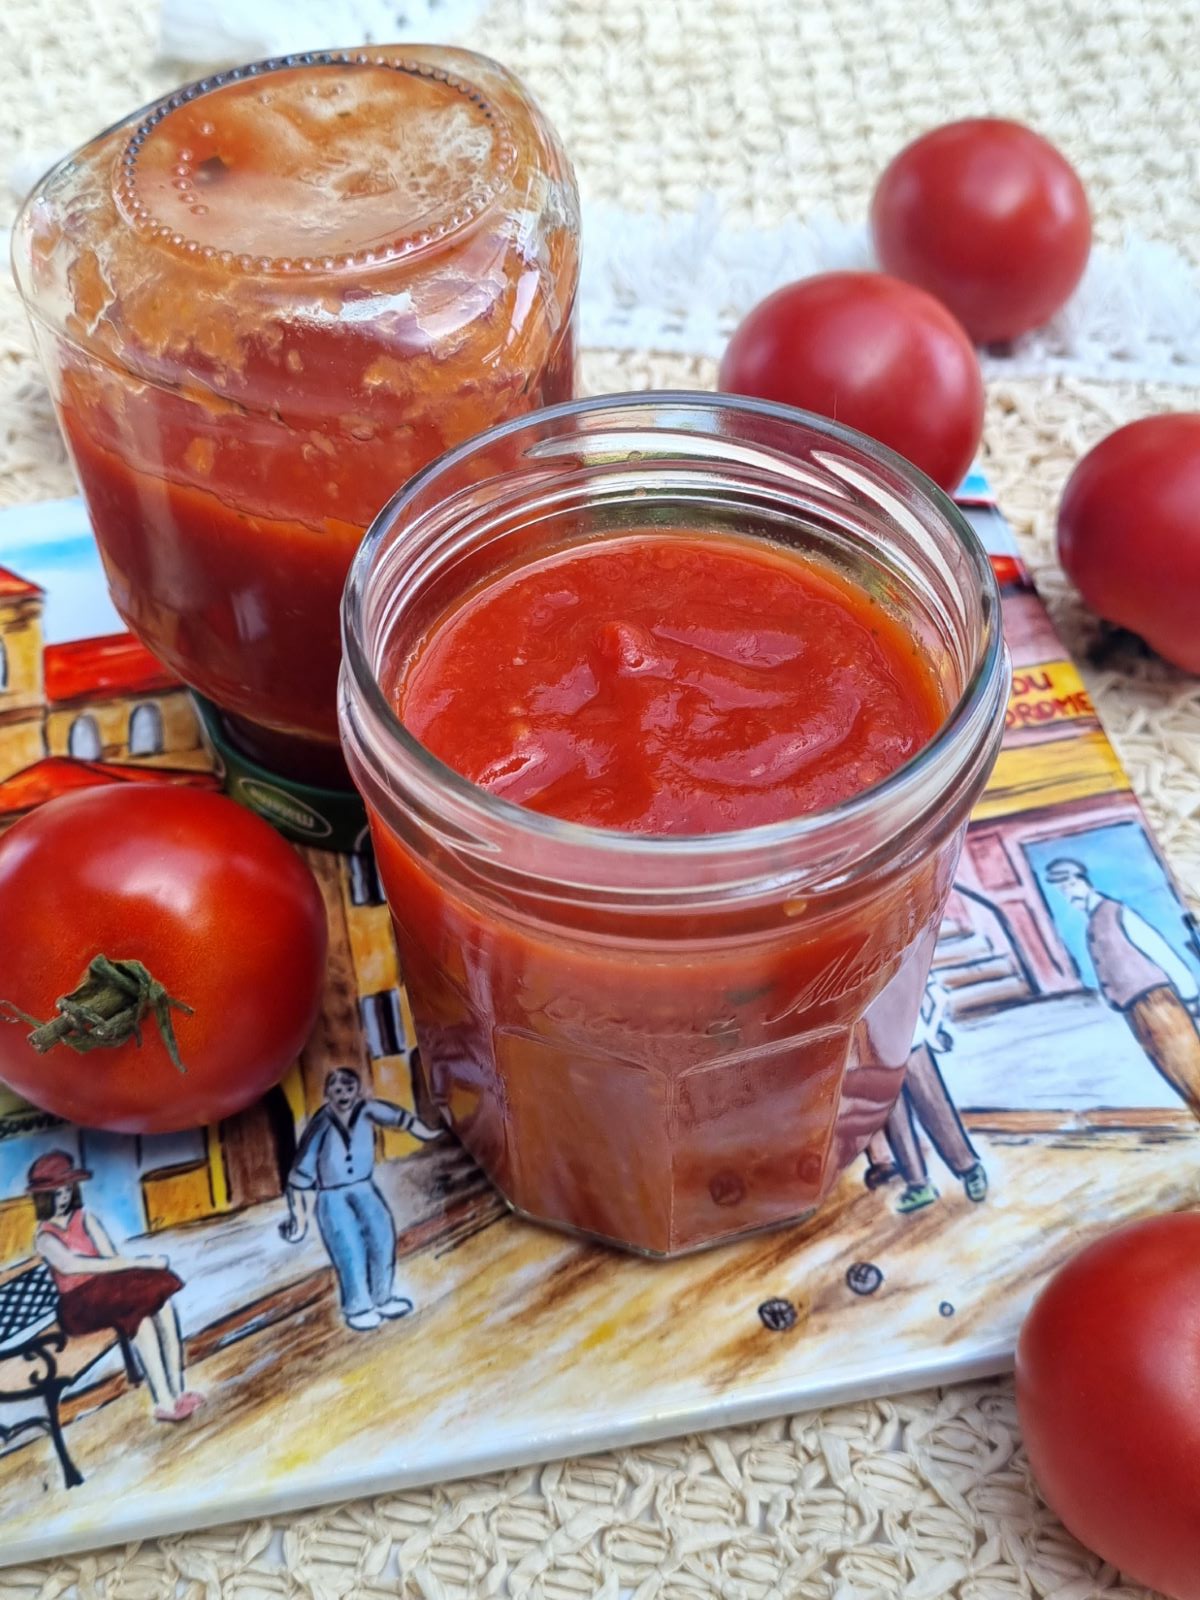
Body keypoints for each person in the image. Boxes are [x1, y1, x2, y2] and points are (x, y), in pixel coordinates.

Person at [29, 1150, 203, 1423]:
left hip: (104, 1291)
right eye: (55, 1192)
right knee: (139, 1317)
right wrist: (140, 1261)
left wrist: (140, 1266)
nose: (62, 1198)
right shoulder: (44, 1236)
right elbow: (75, 1265)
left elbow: (110, 1258)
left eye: (66, 1190)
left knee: (161, 1305)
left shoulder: (84, 1218)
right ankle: (164, 1402)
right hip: (78, 1305)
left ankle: (177, 1392)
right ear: (43, 1197)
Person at [281, 1067, 442, 1332]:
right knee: (349, 1248)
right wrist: (298, 1219)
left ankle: (383, 1297)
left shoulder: (367, 1110)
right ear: (328, 1093)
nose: (343, 1094)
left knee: (382, 1236)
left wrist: (428, 1132)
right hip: (333, 1196)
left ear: (357, 1090)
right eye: (337, 1089)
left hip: (364, 1188)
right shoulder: (321, 1123)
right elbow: (300, 1173)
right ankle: (358, 1306)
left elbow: (399, 1118)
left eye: (348, 1088)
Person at [1046, 858, 1200, 1113]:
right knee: (1170, 1068)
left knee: (1187, 1061)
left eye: (1069, 885)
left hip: (1156, 1000)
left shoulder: (1116, 912)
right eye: (1062, 889)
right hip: (1134, 1007)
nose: (1067, 893)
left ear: (1082, 882)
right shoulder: (1093, 920)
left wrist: (1191, 995)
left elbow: (1159, 951)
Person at [863, 978, 987, 1213]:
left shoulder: (896, 953)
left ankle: (969, 1168)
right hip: (875, 1058)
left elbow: (937, 994)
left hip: (912, 1043)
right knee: (895, 1124)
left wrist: (931, 1032)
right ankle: (918, 1185)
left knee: (935, 1110)